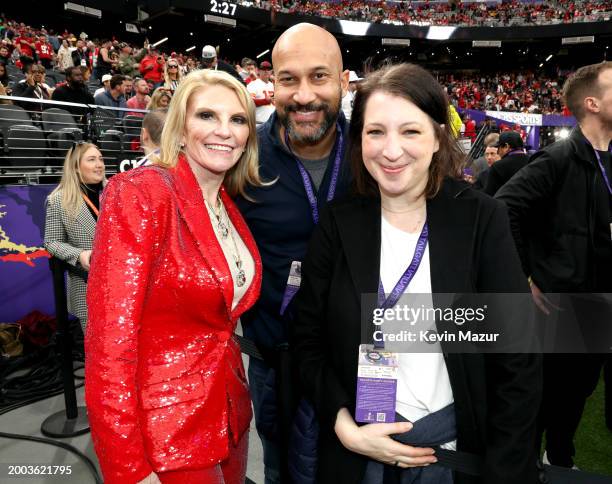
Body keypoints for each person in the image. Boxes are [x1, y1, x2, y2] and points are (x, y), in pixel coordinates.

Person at [292, 63, 542, 484]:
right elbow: (306, 340)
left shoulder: (481, 218)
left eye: (410, 131)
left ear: (437, 137)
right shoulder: (338, 224)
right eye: (375, 132)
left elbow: (517, 360)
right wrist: (344, 426)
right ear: (359, 141)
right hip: (358, 452)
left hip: (459, 456)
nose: (391, 151)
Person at [85, 69, 266, 484]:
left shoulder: (228, 205)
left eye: (238, 120)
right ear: (181, 129)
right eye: (207, 116)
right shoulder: (139, 193)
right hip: (166, 437)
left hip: (230, 419)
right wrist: (128, 469)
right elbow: (109, 346)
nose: (225, 131)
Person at [235, 22, 351, 484]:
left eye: (319, 76)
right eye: (289, 79)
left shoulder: (375, 150)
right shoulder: (242, 158)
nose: (304, 95)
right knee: (283, 468)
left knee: (363, 465)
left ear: (344, 82)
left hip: (362, 358)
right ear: (272, 83)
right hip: (274, 359)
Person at [496, 61, 612, 470]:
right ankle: (530, 465)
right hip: (563, 303)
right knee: (546, 398)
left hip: (600, 303)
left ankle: (560, 458)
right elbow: (503, 207)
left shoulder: (608, 157)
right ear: (593, 103)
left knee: (578, 394)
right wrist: (522, 276)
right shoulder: (559, 157)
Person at [44, 142, 106, 332]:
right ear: (76, 167)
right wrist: (79, 255)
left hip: (126, 285)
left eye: (101, 159)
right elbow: (51, 242)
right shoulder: (58, 200)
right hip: (87, 287)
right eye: (92, 159)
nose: (99, 164)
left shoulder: (118, 193)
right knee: (98, 352)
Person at [483, 130, 529, 196]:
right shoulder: (533, 161)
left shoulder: (498, 167)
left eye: (499, 147)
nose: (498, 151)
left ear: (506, 147)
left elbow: (489, 196)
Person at [246, 60, 275, 124]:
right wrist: (265, 101)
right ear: (259, 71)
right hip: (259, 123)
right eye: (263, 69)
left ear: (271, 71)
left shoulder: (272, 85)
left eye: (268, 69)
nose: (266, 71)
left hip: (273, 123)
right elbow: (249, 102)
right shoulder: (253, 84)